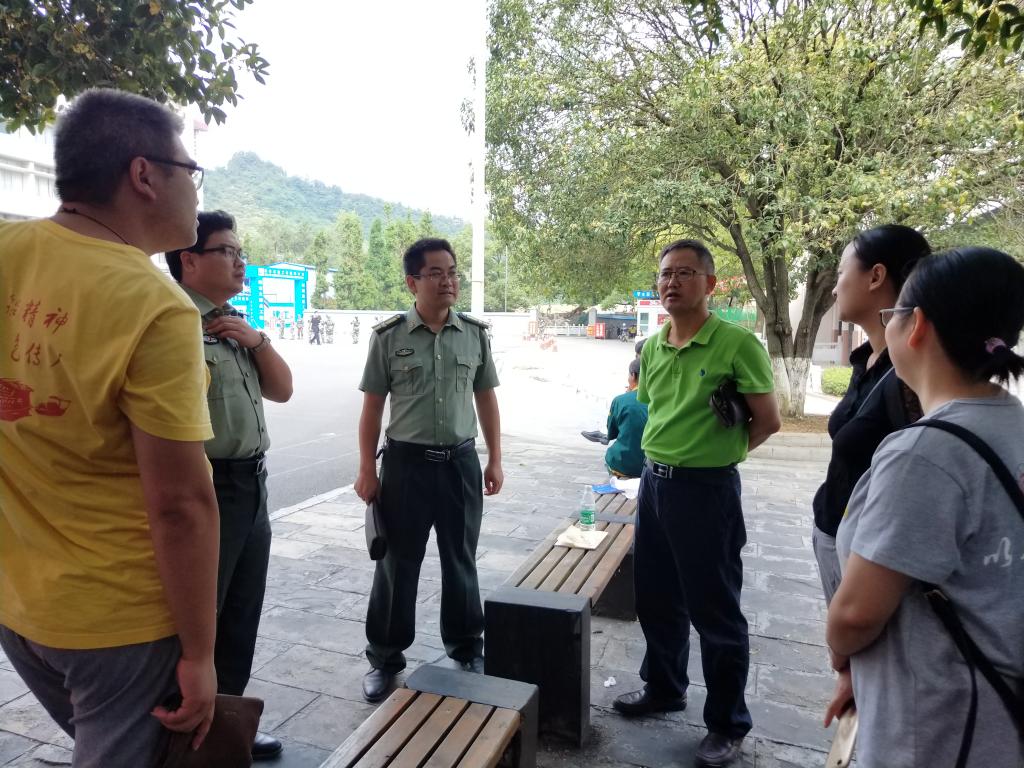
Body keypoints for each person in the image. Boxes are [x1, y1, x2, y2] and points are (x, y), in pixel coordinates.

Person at [0, 88, 220, 766]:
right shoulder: (154, 305)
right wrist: (200, 654)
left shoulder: (6, 249)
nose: (195, 189)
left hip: (18, 602)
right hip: (118, 622)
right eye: (190, 170)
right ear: (144, 175)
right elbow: (180, 505)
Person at [825, 247, 1024, 768]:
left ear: (916, 326)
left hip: (938, 722)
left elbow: (857, 613)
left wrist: (841, 651)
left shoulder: (925, 453)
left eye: (892, 314)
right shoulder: (1012, 423)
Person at [613, 239, 781, 768]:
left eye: (685, 273)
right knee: (656, 598)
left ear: (709, 283)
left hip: (707, 492)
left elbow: (767, 421)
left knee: (716, 611)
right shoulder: (653, 347)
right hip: (654, 486)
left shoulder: (737, 344)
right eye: (665, 273)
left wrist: (717, 456)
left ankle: (727, 723)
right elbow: (656, 411)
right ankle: (665, 687)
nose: (672, 282)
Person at [165, 211, 293, 761]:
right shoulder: (172, 322)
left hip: (251, 486)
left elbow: (282, 390)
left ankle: (227, 725)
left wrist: (257, 340)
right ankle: (180, 736)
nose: (241, 262)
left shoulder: (233, 324)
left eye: (241, 253)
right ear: (189, 260)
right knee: (199, 621)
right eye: (227, 251)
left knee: (242, 611)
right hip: (208, 487)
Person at [354, 237, 503, 703]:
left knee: (461, 558)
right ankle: (385, 657)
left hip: (460, 464)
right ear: (412, 282)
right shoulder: (389, 337)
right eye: (435, 273)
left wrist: (495, 458)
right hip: (405, 467)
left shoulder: (474, 334)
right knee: (397, 564)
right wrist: (366, 469)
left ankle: (466, 646)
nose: (447, 281)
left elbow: (486, 399)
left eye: (452, 272)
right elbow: (372, 409)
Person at [811, 225, 930, 603]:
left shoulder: (912, 375)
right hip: (834, 530)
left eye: (841, 273)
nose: (834, 288)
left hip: (871, 558)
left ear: (876, 276)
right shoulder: (866, 360)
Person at [603, 358, 648, 477]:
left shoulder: (620, 400)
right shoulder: (662, 399)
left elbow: (611, 433)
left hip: (624, 464)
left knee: (610, 457)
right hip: (652, 464)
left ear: (633, 375)